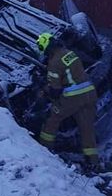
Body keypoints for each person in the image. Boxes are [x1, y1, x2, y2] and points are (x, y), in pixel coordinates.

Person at [36, 32, 100, 169]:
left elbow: (55, 90)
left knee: (51, 120)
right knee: (86, 128)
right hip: (90, 93)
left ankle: (42, 153)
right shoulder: (68, 53)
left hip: (73, 97)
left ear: (47, 48)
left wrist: (44, 90)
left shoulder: (53, 63)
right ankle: (93, 162)